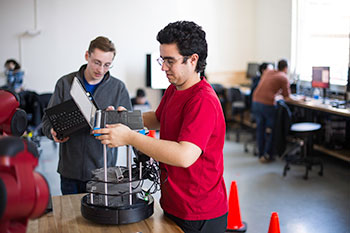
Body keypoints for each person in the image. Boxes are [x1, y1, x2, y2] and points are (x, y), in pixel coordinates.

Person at [94, 21, 228, 233]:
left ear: (193, 60)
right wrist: (124, 118)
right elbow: (158, 118)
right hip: (175, 202)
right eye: (162, 59)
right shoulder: (175, 89)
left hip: (199, 213)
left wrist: (130, 137)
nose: (163, 67)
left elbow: (184, 155)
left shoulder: (203, 101)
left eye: (170, 61)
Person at [41, 36, 132, 195]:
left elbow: (128, 128)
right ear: (86, 56)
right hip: (70, 171)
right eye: (97, 62)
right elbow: (47, 122)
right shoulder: (65, 83)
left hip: (103, 172)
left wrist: (114, 121)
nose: (101, 70)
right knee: (70, 217)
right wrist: (52, 132)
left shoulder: (118, 88)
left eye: (107, 65)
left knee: (99, 218)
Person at [252, 59, 292, 163]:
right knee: (271, 129)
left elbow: (268, 87)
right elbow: (287, 97)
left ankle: (261, 154)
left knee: (260, 129)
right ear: (286, 68)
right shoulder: (284, 77)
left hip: (256, 102)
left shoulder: (268, 72)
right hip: (267, 104)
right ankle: (267, 154)